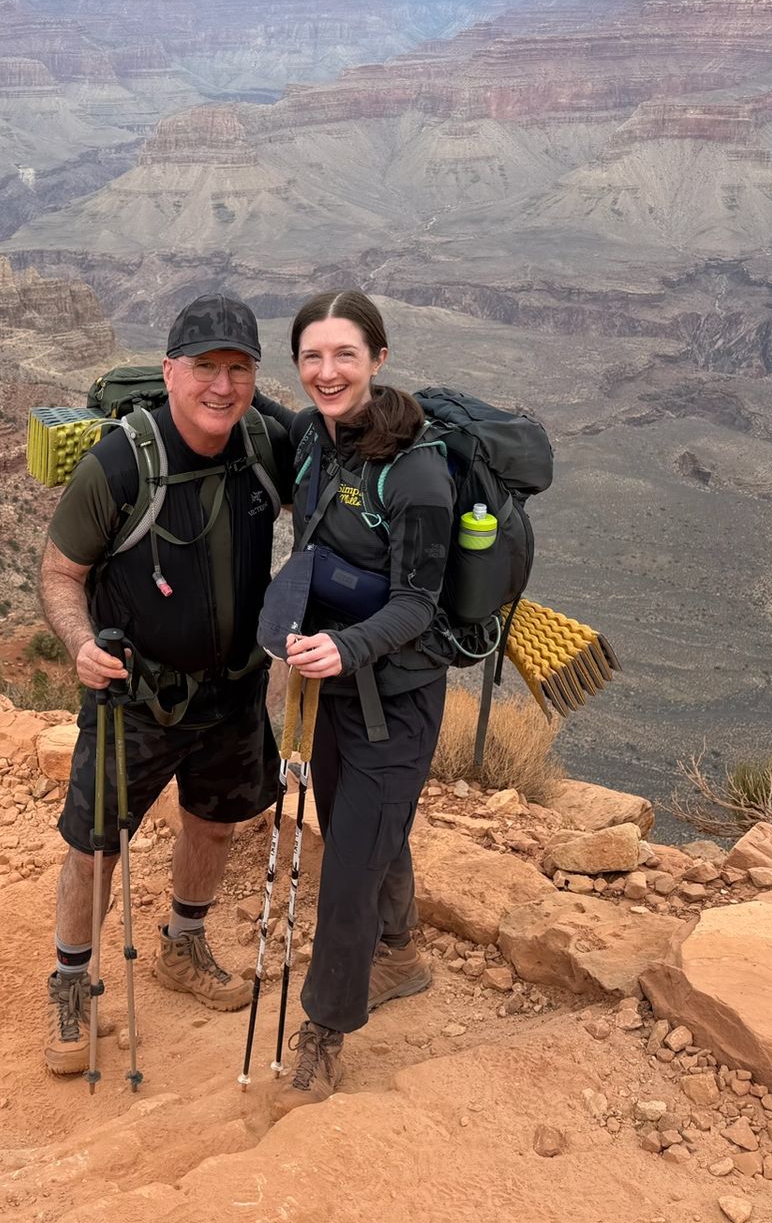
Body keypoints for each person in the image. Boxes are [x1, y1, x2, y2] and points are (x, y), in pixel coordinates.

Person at [36, 294, 296, 1077]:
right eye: (206, 369)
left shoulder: (265, 442)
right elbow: (60, 571)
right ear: (170, 372)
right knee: (96, 844)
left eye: (239, 369)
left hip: (235, 691)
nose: (222, 386)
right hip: (135, 698)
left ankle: (184, 945)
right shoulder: (120, 462)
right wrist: (82, 646)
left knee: (213, 824)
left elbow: (336, 493)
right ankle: (73, 982)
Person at [270, 289, 454, 1116]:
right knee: (368, 832)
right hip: (331, 685)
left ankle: (325, 1027)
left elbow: (420, 604)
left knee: (346, 868)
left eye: (345, 354)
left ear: (378, 359)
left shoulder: (413, 473)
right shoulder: (315, 438)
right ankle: (402, 953)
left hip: (395, 697)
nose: (327, 370)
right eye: (313, 355)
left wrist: (345, 646)